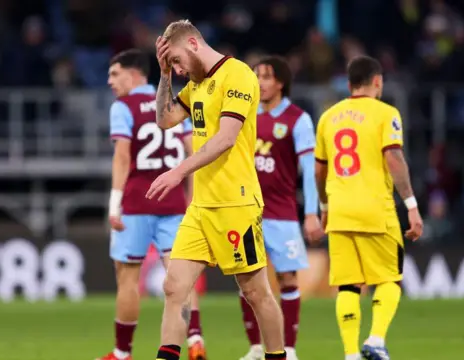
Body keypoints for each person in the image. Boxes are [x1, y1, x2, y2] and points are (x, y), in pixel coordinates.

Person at [147, 19, 287, 360]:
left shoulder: (238, 75)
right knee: (174, 287)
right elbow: (164, 120)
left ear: (194, 44)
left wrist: (178, 171)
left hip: (235, 203)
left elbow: (226, 139)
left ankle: (278, 356)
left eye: (177, 60)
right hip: (201, 206)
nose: (179, 69)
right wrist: (164, 73)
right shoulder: (196, 85)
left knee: (256, 292)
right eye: (173, 65)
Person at [313, 55, 423, 360]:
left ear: (349, 84)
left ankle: (350, 353)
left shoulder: (328, 117)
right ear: (377, 81)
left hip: (339, 210)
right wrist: (411, 205)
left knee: (348, 286)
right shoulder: (386, 113)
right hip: (376, 208)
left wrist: (324, 206)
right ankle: (375, 340)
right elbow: (394, 159)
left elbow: (318, 171)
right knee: (389, 280)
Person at [102, 48, 206, 360]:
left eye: (114, 74)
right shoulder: (173, 104)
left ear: (134, 74)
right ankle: (195, 340)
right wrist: (192, 197)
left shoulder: (124, 106)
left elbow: (122, 155)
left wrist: (114, 203)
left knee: (128, 278)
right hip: (173, 202)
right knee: (181, 278)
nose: (110, 81)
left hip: (135, 203)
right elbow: (192, 151)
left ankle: (122, 353)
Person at [238, 56, 324, 360]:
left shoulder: (298, 119)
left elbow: (310, 169)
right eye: (256, 76)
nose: (259, 82)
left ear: (281, 82)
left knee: (287, 279)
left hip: (283, 213)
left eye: (265, 76)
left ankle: (288, 348)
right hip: (247, 210)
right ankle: (254, 348)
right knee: (247, 280)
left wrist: (312, 212)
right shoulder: (245, 115)